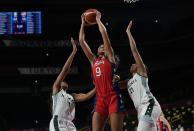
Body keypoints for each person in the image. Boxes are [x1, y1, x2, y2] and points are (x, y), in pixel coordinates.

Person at [79, 11, 126, 131]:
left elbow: (104, 33)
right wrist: (82, 24)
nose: (102, 46)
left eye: (104, 45)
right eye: (100, 46)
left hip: (113, 96)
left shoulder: (109, 57)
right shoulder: (93, 61)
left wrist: (98, 19)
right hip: (100, 98)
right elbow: (81, 41)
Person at [118, 21, 162, 131]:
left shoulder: (141, 73)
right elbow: (115, 86)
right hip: (140, 109)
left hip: (149, 104)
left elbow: (134, 50)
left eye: (135, 63)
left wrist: (128, 32)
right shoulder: (128, 81)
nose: (133, 63)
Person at [49, 37, 96, 131]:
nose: (64, 81)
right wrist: (74, 52)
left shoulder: (72, 96)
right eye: (62, 80)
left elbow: (86, 96)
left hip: (70, 124)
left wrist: (99, 86)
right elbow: (65, 70)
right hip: (59, 121)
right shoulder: (56, 91)